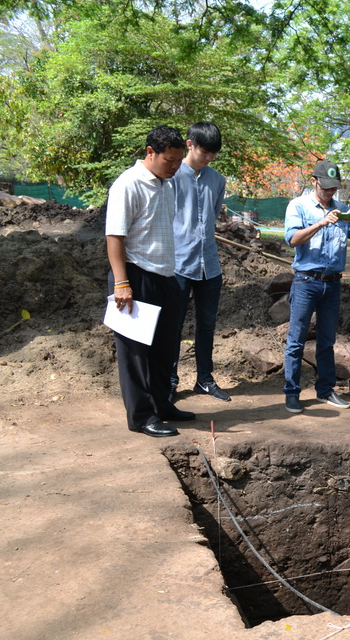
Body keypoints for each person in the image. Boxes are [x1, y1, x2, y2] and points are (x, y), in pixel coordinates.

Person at [106, 125, 195, 437]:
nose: (174, 167)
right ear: (150, 153)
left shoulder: (166, 185)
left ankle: (162, 404)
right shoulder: (127, 185)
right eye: (169, 161)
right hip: (135, 275)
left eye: (178, 161)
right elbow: (115, 237)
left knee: (164, 347)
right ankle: (142, 417)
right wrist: (121, 283)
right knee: (135, 352)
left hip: (166, 276)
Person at [282, 160, 350, 414]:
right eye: (326, 187)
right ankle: (292, 392)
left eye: (334, 188)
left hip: (333, 284)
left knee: (327, 341)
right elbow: (292, 239)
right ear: (314, 181)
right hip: (306, 281)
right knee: (296, 340)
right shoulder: (299, 206)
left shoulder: (342, 210)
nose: (330, 192)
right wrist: (320, 222)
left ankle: (325, 390)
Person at [170, 121, 230, 402]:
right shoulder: (170, 176)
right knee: (173, 325)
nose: (209, 158)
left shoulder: (217, 180)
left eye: (213, 154)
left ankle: (204, 379)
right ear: (190, 144)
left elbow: (213, 217)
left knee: (206, 325)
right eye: (205, 151)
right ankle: (169, 380)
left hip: (209, 265)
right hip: (177, 264)